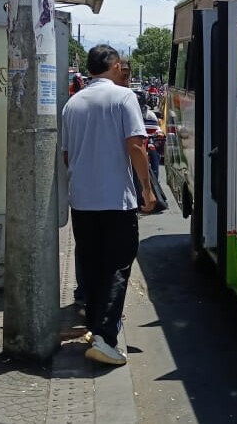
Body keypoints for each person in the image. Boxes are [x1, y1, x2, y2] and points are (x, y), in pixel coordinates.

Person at [62, 44, 156, 366]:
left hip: (82, 200)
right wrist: (146, 188)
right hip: (116, 200)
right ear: (114, 65)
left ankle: (93, 328)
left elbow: (66, 155)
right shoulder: (123, 97)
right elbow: (136, 145)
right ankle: (105, 338)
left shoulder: (72, 104)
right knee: (118, 266)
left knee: (91, 265)